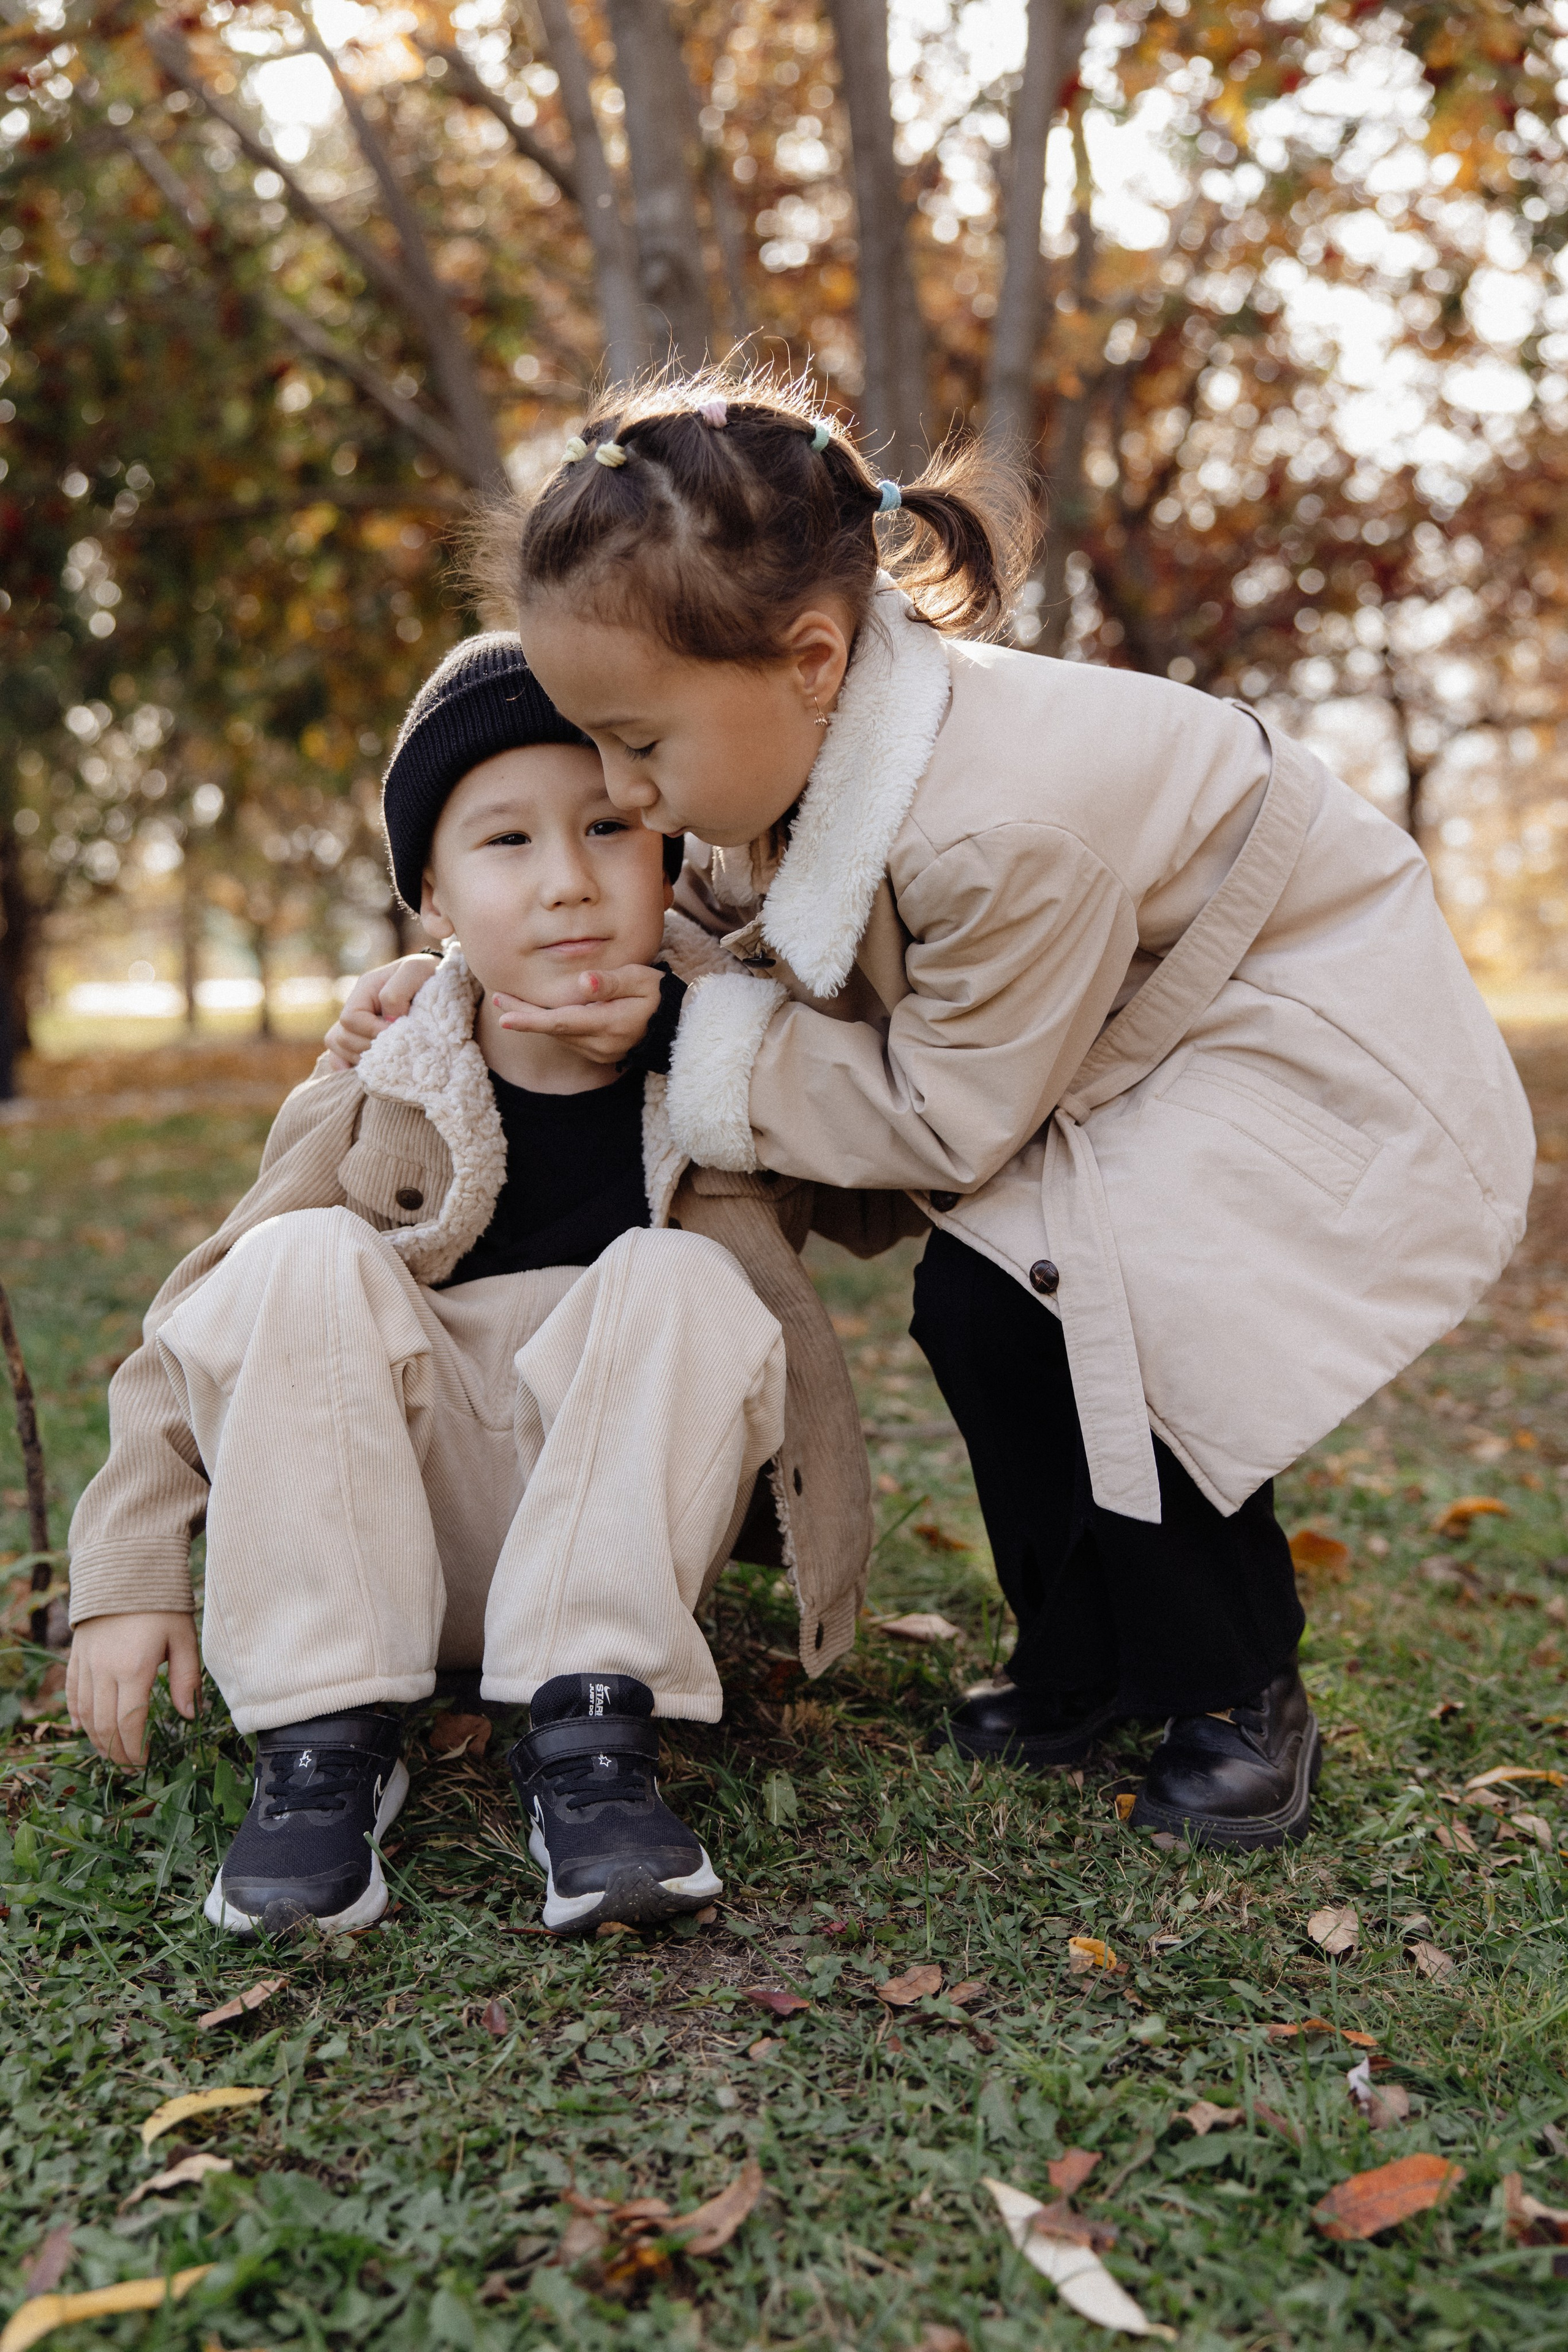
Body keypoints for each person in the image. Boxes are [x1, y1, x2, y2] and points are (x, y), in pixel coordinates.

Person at [334, 371, 1536, 1853]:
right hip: (1108, 1029)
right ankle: (1079, 1657)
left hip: (1282, 1023)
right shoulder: (783, 748)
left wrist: (685, 1042)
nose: (626, 796)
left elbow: (945, 1118)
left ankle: (1232, 1691)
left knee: (1115, 1307)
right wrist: (458, 981)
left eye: (638, 747)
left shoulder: (994, 829)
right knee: (977, 1308)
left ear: (813, 658)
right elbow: (710, 927)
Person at [64, 635, 877, 1938]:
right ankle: (327, 1734)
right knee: (297, 1255)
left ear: (666, 853)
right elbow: (201, 1324)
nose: (566, 882)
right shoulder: (381, 1082)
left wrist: (713, 1040)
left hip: (612, 1535)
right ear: (430, 900)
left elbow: (890, 1178)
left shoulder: (727, 1070)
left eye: (608, 826)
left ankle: (590, 1739)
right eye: (505, 843)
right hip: (394, 1520)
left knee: (681, 1273)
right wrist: (130, 1570)